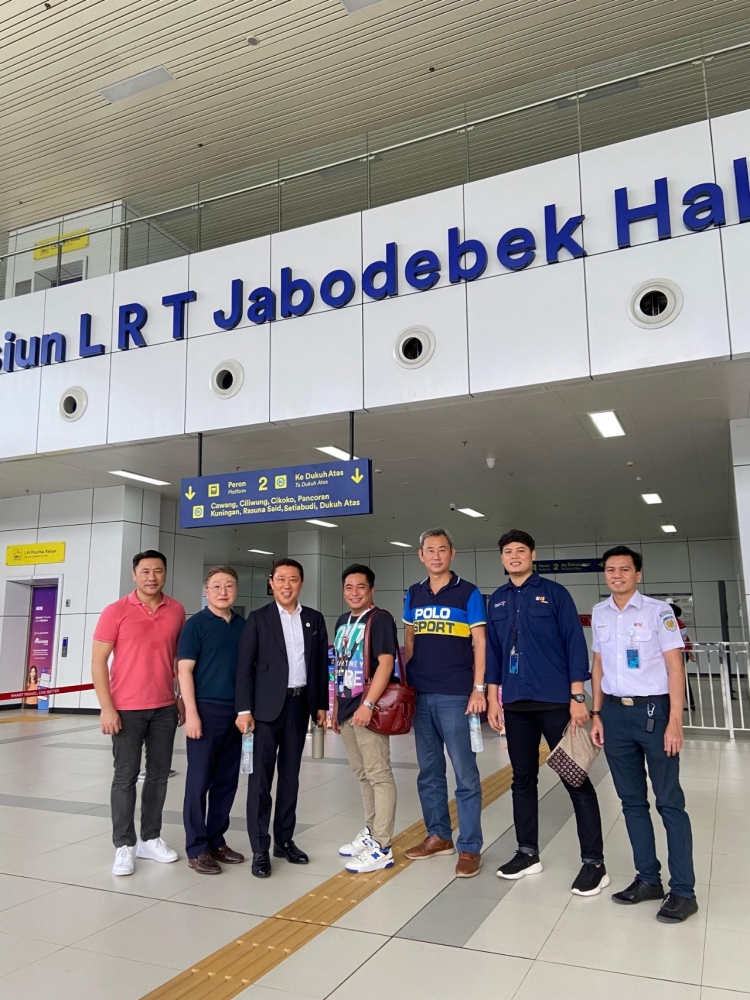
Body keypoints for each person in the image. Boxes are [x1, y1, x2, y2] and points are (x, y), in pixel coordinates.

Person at [486, 529, 607, 895]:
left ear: (533, 555)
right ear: (502, 558)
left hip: (556, 702)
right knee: (522, 780)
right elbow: (493, 652)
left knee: (575, 778)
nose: (514, 556)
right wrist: (492, 698)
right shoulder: (497, 600)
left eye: (520, 550)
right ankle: (527, 853)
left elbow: (574, 642)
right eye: (508, 551)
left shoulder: (555, 594)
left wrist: (578, 696)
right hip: (515, 704)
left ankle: (594, 863)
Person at [590, 545, 698, 923]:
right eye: (610, 569)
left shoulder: (658, 612)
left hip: (654, 712)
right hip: (615, 714)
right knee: (631, 802)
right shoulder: (600, 613)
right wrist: (597, 714)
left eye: (624, 569)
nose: (617, 575)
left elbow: (675, 668)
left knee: (669, 801)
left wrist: (675, 721)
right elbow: (598, 665)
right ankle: (648, 879)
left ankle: (683, 890)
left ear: (638, 574)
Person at [92, 550, 186, 877]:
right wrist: (107, 707)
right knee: (125, 776)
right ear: (134, 575)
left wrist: (179, 696)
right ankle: (124, 844)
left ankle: (150, 838)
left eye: (158, 571)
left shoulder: (176, 610)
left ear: (165, 574)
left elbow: (177, 660)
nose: (152, 577)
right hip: (126, 709)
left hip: (164, 707)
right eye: (145, 571)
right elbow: (98, 662)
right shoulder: (115, 611)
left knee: (158, 776)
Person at [235, 558, 329, 878]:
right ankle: (260, 848)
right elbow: (245, 667)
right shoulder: (258, 618)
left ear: (301, 583)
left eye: (293, 579)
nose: (287, 585)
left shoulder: (313, 619)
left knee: (291, 777)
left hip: (299, 706)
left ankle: (284, 841)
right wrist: (244, 710)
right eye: (281, 579)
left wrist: (321, 705)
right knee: (260, 781)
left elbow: (319, 666)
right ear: (271, 583)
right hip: (264, 711)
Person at [403, 528, 487, 878]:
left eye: (442, 549)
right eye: (429, 550)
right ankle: (438, 836)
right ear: (420, 555)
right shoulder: (413, 592)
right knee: (429, 772)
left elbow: (480, 642)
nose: (435, 556)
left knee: (465, 773)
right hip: (420, 694)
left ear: (452, 553)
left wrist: (478, 689)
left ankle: (469, 847)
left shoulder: (468, 592)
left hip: (456, 695)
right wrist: (409, 681)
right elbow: (409, 638)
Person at [178, 566, 246, 874]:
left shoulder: (244, 626)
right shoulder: (195, 625)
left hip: (236, 714)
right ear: (206, 592)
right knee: (199, 781)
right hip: (205, 711)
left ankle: (217, 840)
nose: (223, 591)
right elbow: (184, 671)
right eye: (216, 586)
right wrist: (192, 714)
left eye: (229, 585)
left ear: (236, 591)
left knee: (227, 781)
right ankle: (196, 848)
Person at [332, 563, 398, 874]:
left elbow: (386, 663)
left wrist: (368, 704)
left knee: (379, 775)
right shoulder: (342, 621)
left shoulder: (380, 618)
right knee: (363, 775)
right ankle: (371, 832)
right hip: (346, 708)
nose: (354, 592)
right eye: (349, 587)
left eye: (361, 587)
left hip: (367, 709)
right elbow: (338, 666)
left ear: (372, 590)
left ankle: (382, 846)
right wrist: (335, 707)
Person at [670, 603, 696, 712]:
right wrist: (689, 650)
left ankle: (674, 705)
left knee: (677, 679)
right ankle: (691, 703)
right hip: (681, 653)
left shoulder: (671, 623)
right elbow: (686, 639)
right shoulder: (680, 623)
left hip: (675, 654)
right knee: (682, 678)